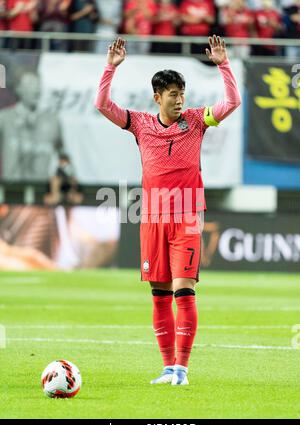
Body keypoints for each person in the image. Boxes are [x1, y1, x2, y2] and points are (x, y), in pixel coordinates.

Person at [94, 36, 241, 385]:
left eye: (182, 93)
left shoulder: (197, 121)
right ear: (157, 97)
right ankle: (167, 368)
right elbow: (102, 104)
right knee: (159, 295)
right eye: (172, 94)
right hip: (153, 218)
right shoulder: (140, 124)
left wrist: (223, 63)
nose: (179, 100)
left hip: (187, 216)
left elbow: (233, 101)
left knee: (183, 290)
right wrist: (110, 68)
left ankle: (183, 370)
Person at [0, 70, 63, 182]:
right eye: (31, 85)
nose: (36, 90)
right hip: (12, 191)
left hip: (41, 192)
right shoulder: (4, 118)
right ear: (18, 89)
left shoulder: (53, 121)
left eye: (38, 85)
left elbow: (64, 156)